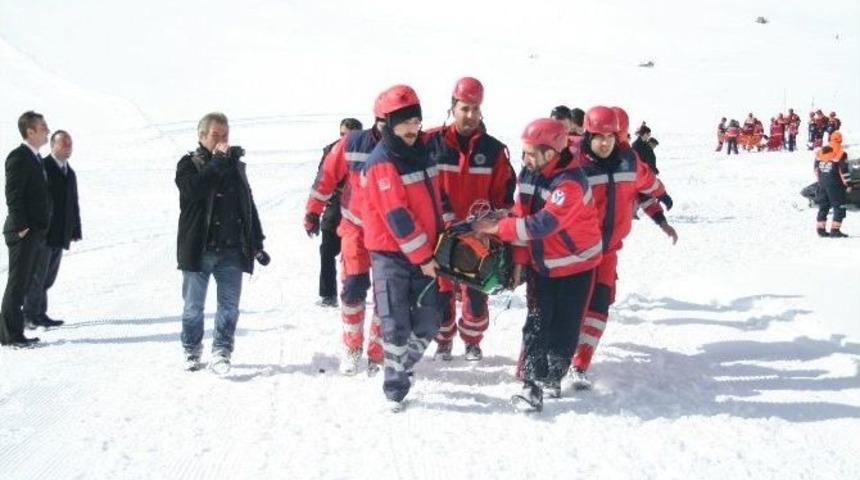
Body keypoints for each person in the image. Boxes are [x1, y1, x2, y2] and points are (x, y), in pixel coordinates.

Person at [475, 118, 602, 412]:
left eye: (532, 153)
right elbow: (521, 212)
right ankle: (531, 383)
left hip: (576, 268)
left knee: (565, 326)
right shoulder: (530, 173)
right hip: (542, 266)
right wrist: (520, 259)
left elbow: (542, 224)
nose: (526, 158)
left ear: (552, 152)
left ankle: (554, 373)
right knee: (536, 323)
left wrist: (497, 229)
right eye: (525, 152)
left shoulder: (571, 183)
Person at [566, 106, 678, 390]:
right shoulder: (573, 161)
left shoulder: (628, 161)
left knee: (600, 305)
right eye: (599, 136)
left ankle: (580, 364)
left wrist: (661, 201)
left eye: (612, 135)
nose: (606, 141)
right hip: (575, 251)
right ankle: (557, 357)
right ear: (588, 134)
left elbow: (644, 184)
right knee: (572, 307)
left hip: (607, 251)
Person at [362, 84, 445, 412]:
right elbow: (398, 217)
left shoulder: (422, 152)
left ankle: (401, 365)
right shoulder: (381, 162)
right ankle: (395, 386)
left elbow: (435, 202)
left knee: (430, 320)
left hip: (427, 253)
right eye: (404, 122)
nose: (413, 127)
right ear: (387, 124)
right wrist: (424, 256)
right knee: (395, 323)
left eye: (416, 120)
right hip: (391, 257)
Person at [425, 77, 515, 362]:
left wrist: (494, 226)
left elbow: (504, 197)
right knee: (441, 295)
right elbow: (423, 185)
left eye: (475, 109)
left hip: (478, 239)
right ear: (453, 107)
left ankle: (472, 340)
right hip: (440, 235)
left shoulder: (494, 151)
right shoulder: (431, 143)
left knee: (476, 297)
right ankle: (443, 341)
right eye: (465, 108)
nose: (470, 115)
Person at [175, 112, 267, 374]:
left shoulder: (235, 166)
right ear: (202, 136)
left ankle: (222, 351)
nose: (221, 140)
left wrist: (256, 241)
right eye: (215, 135)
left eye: (225, 135)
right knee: (193, 307)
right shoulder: (188, 164)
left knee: (229, 307)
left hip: (231, 250)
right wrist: (215, 163)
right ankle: (192, 349)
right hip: (199, 249)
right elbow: (193, 191)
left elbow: (247, 204)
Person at [305, 103, 386, 376]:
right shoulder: (353, 143)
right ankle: (352, 347)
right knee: (353, 286)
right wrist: (313, 211)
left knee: (387, 294)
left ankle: (377, 352)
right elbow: (327, 177)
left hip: (390, 232)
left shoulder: (408, 146)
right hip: (356, 226)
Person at [1, 111, 51, 347]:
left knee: (24, 282)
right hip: (22, 232)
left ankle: (11, 331)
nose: (47, 130)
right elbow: (13, 195)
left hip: (34, 231)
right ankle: (10, 335)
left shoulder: (35, 158)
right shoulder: (18, 157)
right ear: (29, 131)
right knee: (17, 283)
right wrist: (21, 227)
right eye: (43, 127)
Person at [23, 130, 81, 329]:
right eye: (64, 144)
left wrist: (75, 229)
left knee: (47, 277)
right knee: (37, 277)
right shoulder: (43, 168)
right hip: (42, 233)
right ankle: (29, 315)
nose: (68, 148)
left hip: (59, 233)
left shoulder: (69, 172)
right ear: (53, 146)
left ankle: (40, 313)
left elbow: (73, 203)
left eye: (69, 144)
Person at [315, 117, 363, 308]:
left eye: (350, 136)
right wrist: (314, 211)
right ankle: (328, 294)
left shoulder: (368, 151)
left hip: (359, 208)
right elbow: (321, 179)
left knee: (358, 254)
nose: (346, 140)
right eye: (343, 135)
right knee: (327, 251)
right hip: (335, 206)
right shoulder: (331, 150)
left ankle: (357, 293)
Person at [814, 131, 849, 237]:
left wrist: (820, 181)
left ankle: (821, 229)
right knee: (839, 207)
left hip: (822, 183)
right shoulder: (841, 152)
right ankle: (835, 231)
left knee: (823, 206)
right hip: (835, 184)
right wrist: (848, 184)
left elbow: (816, 169)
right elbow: (843, 171)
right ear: (840, 139)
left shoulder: (821, 151)